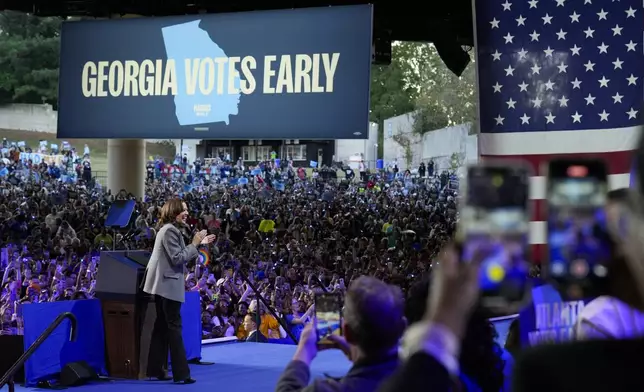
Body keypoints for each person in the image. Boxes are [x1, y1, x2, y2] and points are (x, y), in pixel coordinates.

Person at [275, 276, 406, 392]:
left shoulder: (328, 389)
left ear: (347, 332)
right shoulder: (421, 376)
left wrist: (304, 350)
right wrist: (357, 355)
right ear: (402, 327)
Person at [142, 198, 215, 385]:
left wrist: (199, 243)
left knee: (162, 326)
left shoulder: (170, 230)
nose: (187, 213)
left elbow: (183, 255)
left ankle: (156, 369)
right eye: (184, 210)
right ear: (174, 211)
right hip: (167, 285)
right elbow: (177, 258)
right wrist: (195, 242)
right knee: (173, 327)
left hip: (163, 284)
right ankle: (181, 374)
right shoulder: (169, 231)